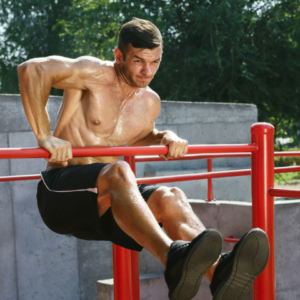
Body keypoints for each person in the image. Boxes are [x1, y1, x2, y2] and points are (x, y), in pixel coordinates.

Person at [17, 18, 269, 300]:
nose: (147, 71)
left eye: (155, 62)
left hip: (107, 203)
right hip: (61, 194)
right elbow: (32, 70)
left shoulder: (150, 102)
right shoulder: (93, 73)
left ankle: (219, 272)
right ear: (119, 55)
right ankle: (171, 257)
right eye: (138, 61)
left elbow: (141, 136)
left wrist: (165, 137)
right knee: (121, 171)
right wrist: (44, 136)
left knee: (170, 196)